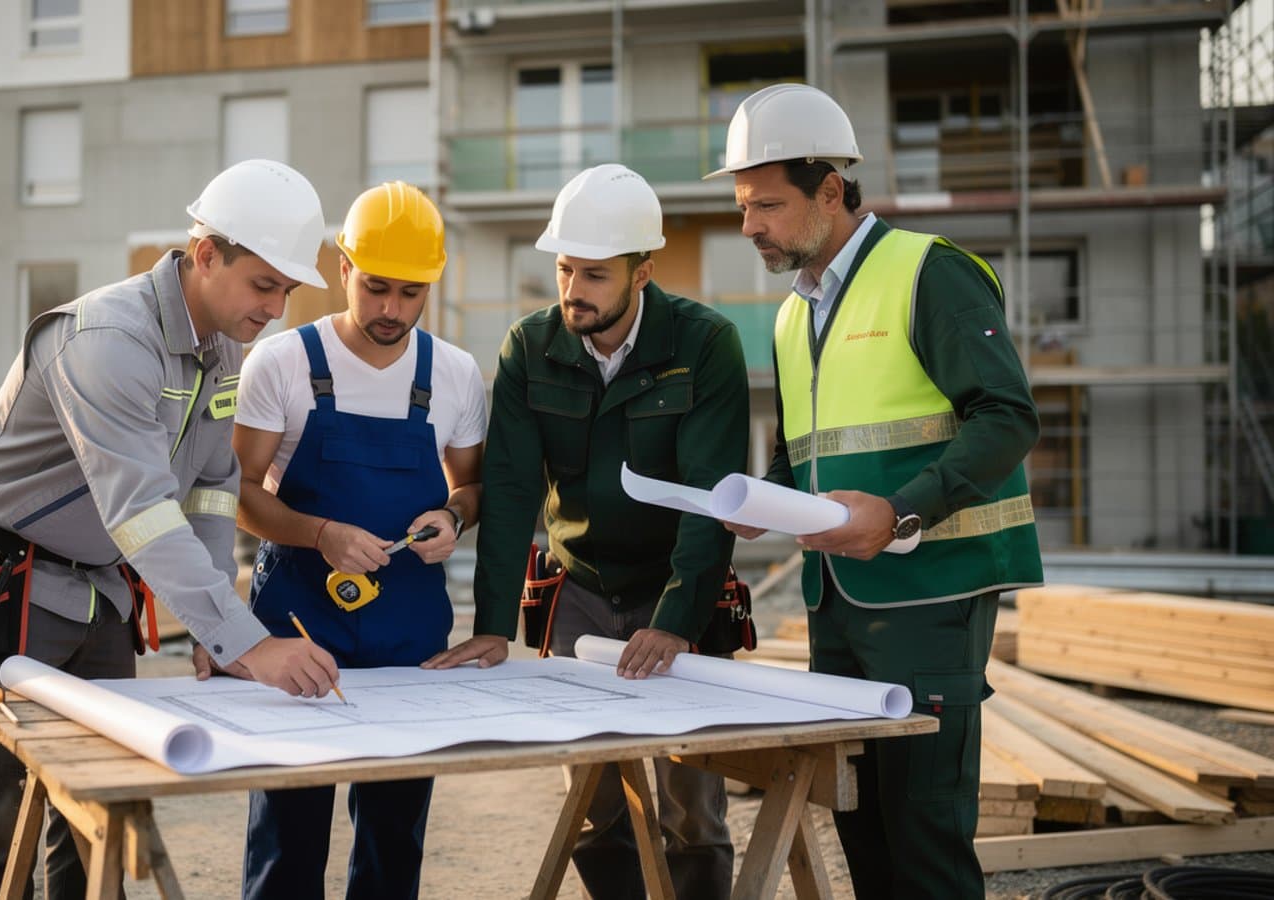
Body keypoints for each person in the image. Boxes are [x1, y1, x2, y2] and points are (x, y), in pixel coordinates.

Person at [0, 159, 342, 900]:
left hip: (100, 589)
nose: (278, 310)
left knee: (100, 814)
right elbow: (143, 509)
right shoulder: (106, 341)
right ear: (207, 254)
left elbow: (215, 489)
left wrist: (215, 636)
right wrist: (248, 643)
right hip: (10, 579)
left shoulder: (222, 351)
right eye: (265, 285)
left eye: (287, 291)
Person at [708, 83, 1044, 899]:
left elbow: (1007, 417)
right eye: (745, 206)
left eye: (768, 206)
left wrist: (899, 512)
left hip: (932, 594)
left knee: (926, 836)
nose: (749, 225)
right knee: (860, 824)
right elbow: (808, 449)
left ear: (831, 190)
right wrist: (764, 499)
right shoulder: (793, 316)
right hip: (838, 602)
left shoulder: (930, 273)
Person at [426, 163, 749, 898]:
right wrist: (493, 623)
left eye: (596, 274)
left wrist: (677, 622)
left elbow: (710, 498)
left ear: (644, 272)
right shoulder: (529, 348)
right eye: (566, 269)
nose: (574, 291)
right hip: (581, 591)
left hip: (677, 586)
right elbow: (509, 495)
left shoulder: (705, 344)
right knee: (595, 800)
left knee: (690, 802)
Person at [231, 181, 485, 900]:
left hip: (410, 634)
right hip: (299, 623)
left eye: (411, 294)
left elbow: (472, 489)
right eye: (376, 289)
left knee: (393, 837)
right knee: (288, 831)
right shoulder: (280, 364)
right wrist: (320, 533)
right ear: (343, 267)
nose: (391, 311)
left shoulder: (456, 375)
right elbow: (240, 494)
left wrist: (454, 519)